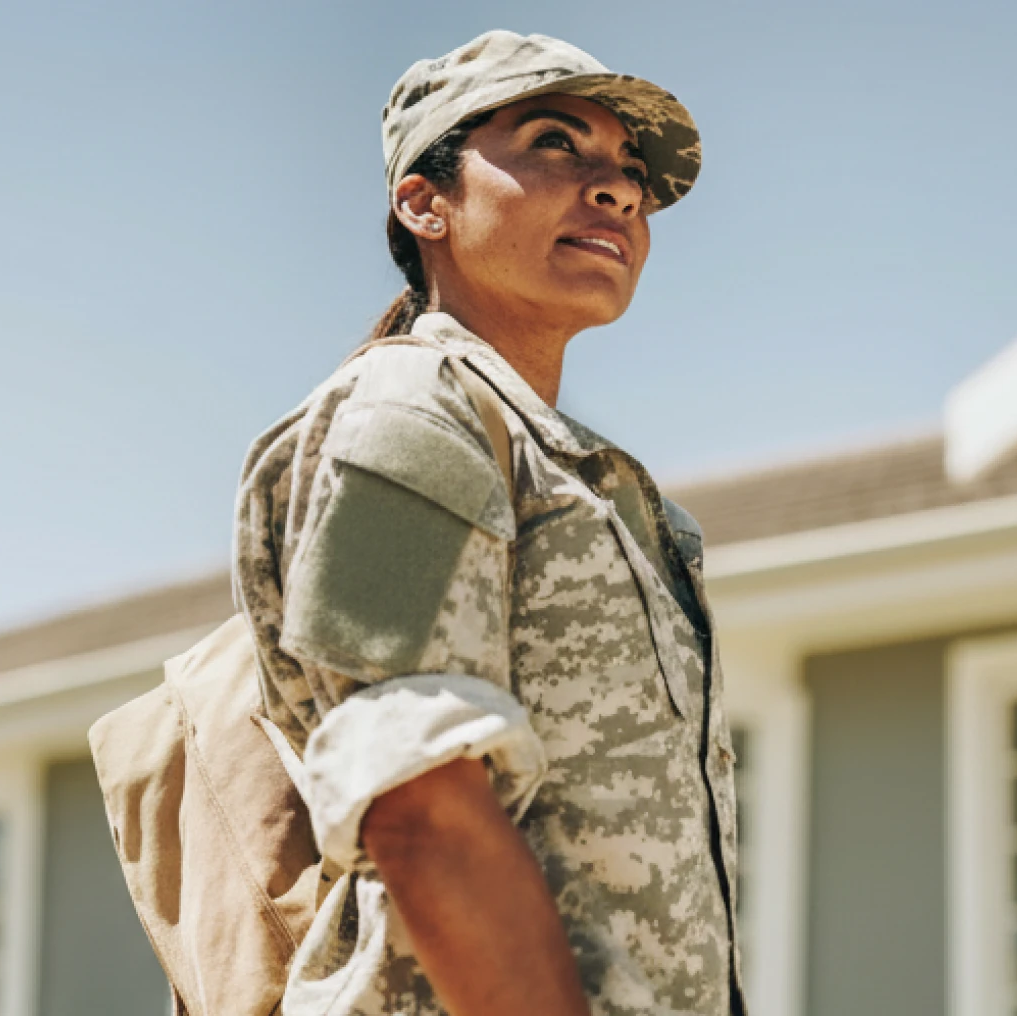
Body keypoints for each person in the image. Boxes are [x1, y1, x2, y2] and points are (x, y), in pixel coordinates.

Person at [231, 29, 744, 1016]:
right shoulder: (411, 413)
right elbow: (421, 807)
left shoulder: (596, 483)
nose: (618, 190)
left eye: (631, 174)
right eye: (555, 143)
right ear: (425, 203)